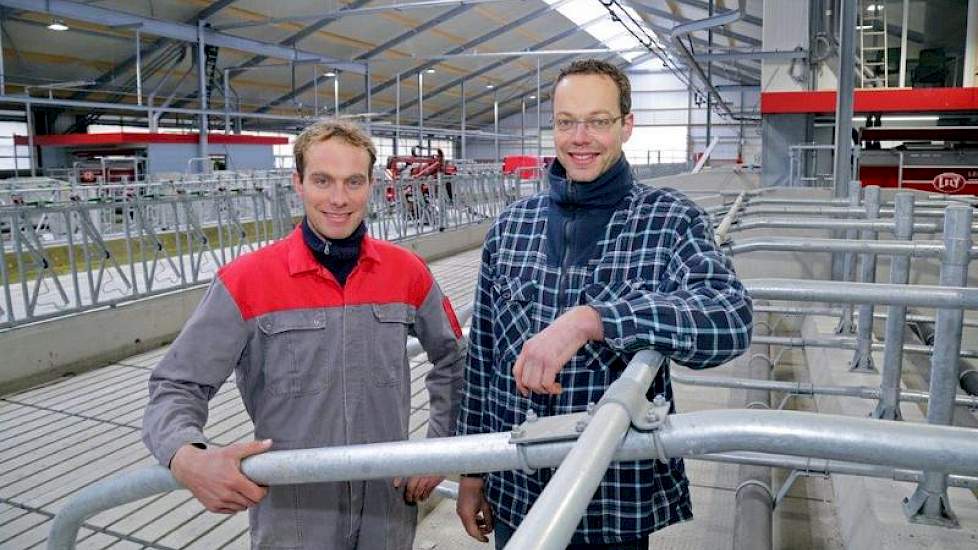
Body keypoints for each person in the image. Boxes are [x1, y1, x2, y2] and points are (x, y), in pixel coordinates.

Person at [455, 59, 753, 548]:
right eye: (567, 121)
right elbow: (482, 360)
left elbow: (730, 319)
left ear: (626, 125)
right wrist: (470, 472)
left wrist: (595, 319)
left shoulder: (670, 221)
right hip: (516, 488)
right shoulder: (511, 227)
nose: (581, 137)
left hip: (612, 497)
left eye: (598, 121)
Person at [142, 119, 466, 550]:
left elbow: (455, 359)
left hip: (385, 510)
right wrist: (186, 456)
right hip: (293, 513)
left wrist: (438, 448)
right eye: (322, 180)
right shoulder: (246, 281)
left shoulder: (407, 272)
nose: (338, 198)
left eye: (353, 182)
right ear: (297, 183)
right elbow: (175, 385)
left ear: (372, 184)